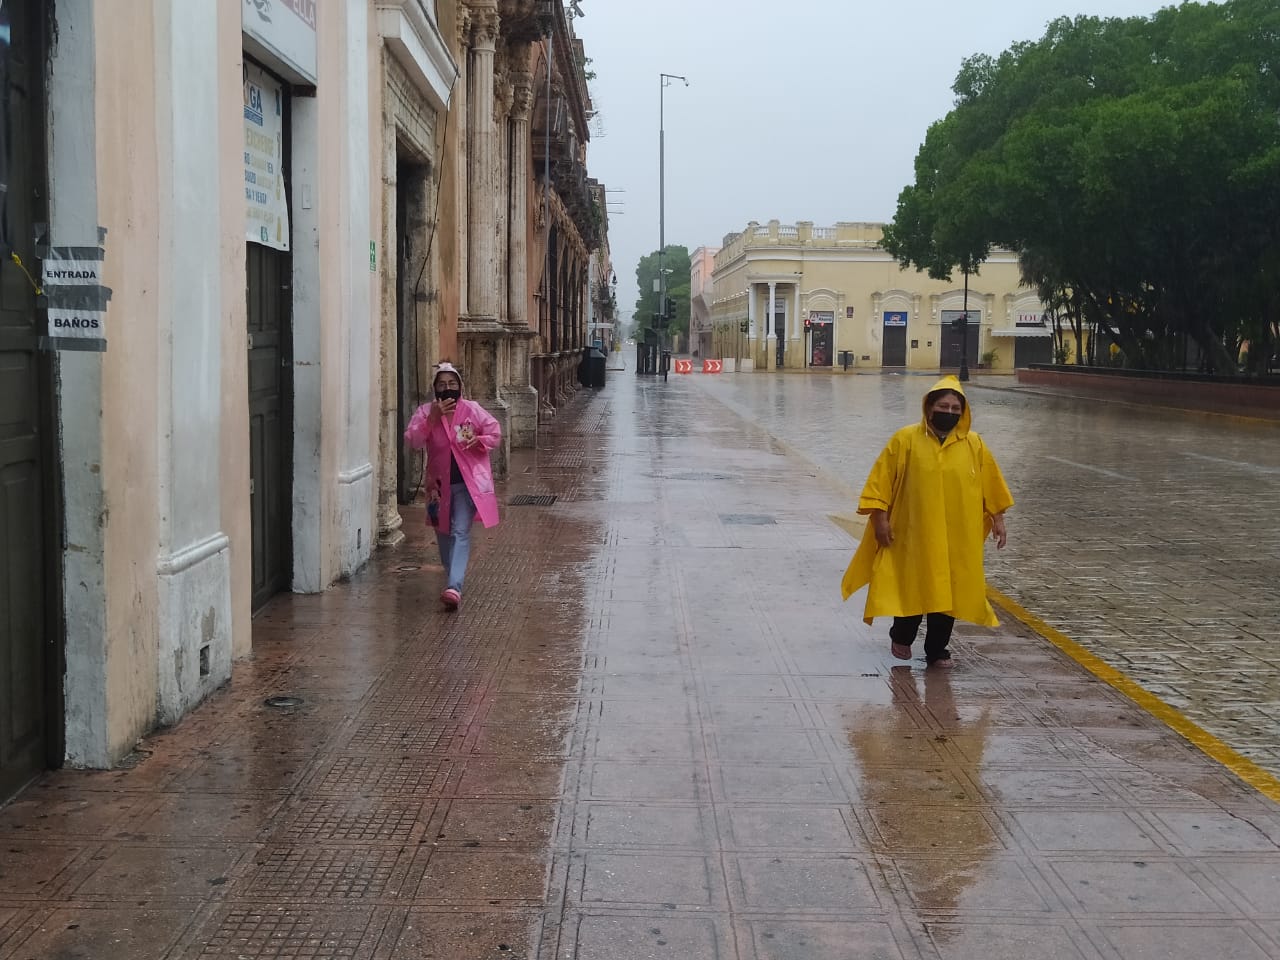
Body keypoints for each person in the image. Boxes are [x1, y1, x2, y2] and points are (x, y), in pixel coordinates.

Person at [840, 375, 1013, 666]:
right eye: (944, 406)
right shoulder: (905, 439)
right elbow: (880, 483)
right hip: (913, 534)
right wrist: (880, 520)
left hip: (956, 537)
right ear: (929, 407)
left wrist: (998, 519)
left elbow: (991, 485)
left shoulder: (974, 445)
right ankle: (902, 635)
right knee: (911, 584)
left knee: (948, 591)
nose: (949, 412)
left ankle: (937, 649)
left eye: (956, 408)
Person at [404, 362, 501, 610]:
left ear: (460, 387)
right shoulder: (426, 412)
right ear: (435, 389)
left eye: (452, 384)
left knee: (460, 532)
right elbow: (413, 440)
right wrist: (431, 420)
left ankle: (454, 586)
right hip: (438, 488)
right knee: (444, 534)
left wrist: (478, 441)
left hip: (467, 485)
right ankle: (452, 580)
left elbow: (495, 432)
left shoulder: (472, 410)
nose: (447, 389)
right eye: (442, 385)